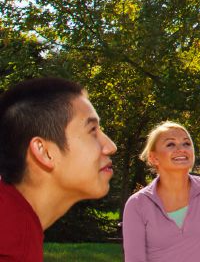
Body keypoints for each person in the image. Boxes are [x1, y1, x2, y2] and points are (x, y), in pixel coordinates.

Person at [0, 77, 117, 261]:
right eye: (92, 130)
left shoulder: (16, 228)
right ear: (44, 152)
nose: (111, 147)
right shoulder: (12, 248)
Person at [121, 122, 200, 261]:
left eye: (186, 143)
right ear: (153, 158)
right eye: (170, 144)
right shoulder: (137, 204)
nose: (181, 149)